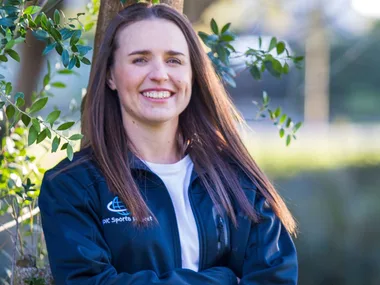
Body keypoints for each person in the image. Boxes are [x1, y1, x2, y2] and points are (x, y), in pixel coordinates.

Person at [39, 2, 298, 285]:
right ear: (111, 75)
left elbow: (275, 278)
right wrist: (223, 279)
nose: (160, 74)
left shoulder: (238, 181)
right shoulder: (72, 186)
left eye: (174, 60)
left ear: (193, 74)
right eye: (140, 59)